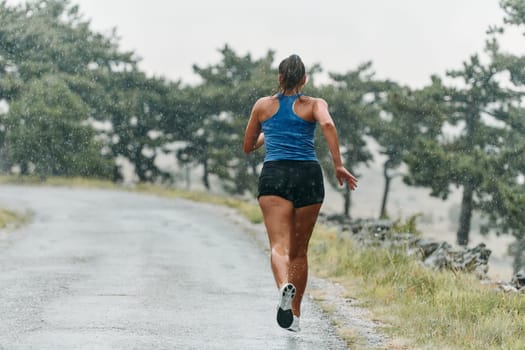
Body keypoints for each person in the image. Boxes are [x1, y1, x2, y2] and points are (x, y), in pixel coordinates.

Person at [243, 54, 358, 332]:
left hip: (275, 174)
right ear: (304, 79)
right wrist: (339, 165)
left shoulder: (262, 106)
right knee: (299, 251)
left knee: (278, 246)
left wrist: (268, 132)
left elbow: (248, 145)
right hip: (308, 175)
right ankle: (294, 315)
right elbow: (328, 125)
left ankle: (284, 286)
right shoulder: (315, 104)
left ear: (279, 78)